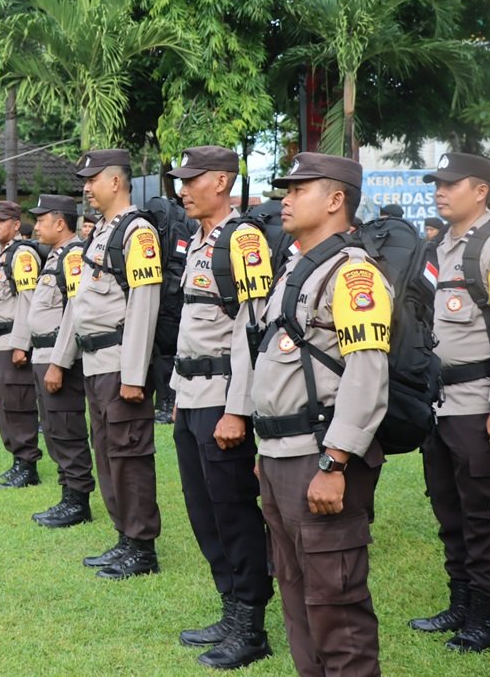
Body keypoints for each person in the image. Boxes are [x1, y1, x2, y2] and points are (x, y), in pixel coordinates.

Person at [229, 152, 391, 676]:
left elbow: (367, 375)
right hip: (280, 456)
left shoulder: (353, 275)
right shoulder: (299, 267)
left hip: (320, 458)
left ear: (336, 199)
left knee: (335, 608)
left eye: (300, 189)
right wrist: (266, 450)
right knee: (297, 598)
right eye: (286, 190)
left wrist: (337, 461)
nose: (287, 199)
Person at [167, 147, 273, 669]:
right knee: (203, 510)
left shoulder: (243, 239)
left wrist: (238, 410)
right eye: (180, 180)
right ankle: (230, 609)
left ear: (224, 182)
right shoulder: (200, 241)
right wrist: (177, 395)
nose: (182, 188)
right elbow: (193, 324)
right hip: (192, 398)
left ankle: (251, 625)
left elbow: (251, 332)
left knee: (232, 511)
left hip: (223, 399)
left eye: (192, 180)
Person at [410, 152, 490, 651]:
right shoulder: (442, 246)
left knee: (480, 516)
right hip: (441, 404)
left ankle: (485, 618)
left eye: (452, 184)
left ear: (481, 191)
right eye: (438, 183)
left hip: (477, 405)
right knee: (448, 511)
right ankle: (460, 602)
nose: (440, 190)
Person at [46, 149, 164, 579]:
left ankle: (142, 547)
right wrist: (62, 361)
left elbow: (144, 304)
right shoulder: (100, 235)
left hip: (119, 363)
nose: (86, 187)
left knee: (130, 454)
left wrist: (134, 374)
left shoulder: (138, 233)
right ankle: (124, 537)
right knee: (109, 452)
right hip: (95, 363)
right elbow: (79, 305)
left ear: (116, 182)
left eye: (92, 179)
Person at [24, 194, 95, 527]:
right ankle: (68, 492)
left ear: (60, 222)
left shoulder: (74, 255)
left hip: (58, 356)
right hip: (43, 353)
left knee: (66, 429)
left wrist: (59, 363)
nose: (36, 226)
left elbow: (75, 312)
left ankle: (78, 500)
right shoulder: (53, 258)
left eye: (42, 220)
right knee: (53, 428)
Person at [0, 199, 44, 488]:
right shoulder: (2, 254)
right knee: (4, 403)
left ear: (16, 225)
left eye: (1, 220)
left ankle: (27, 464)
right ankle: (17, 459)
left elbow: (27, 301)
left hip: (12, 341)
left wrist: (22, 344)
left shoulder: (22, 255)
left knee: (19, 404)